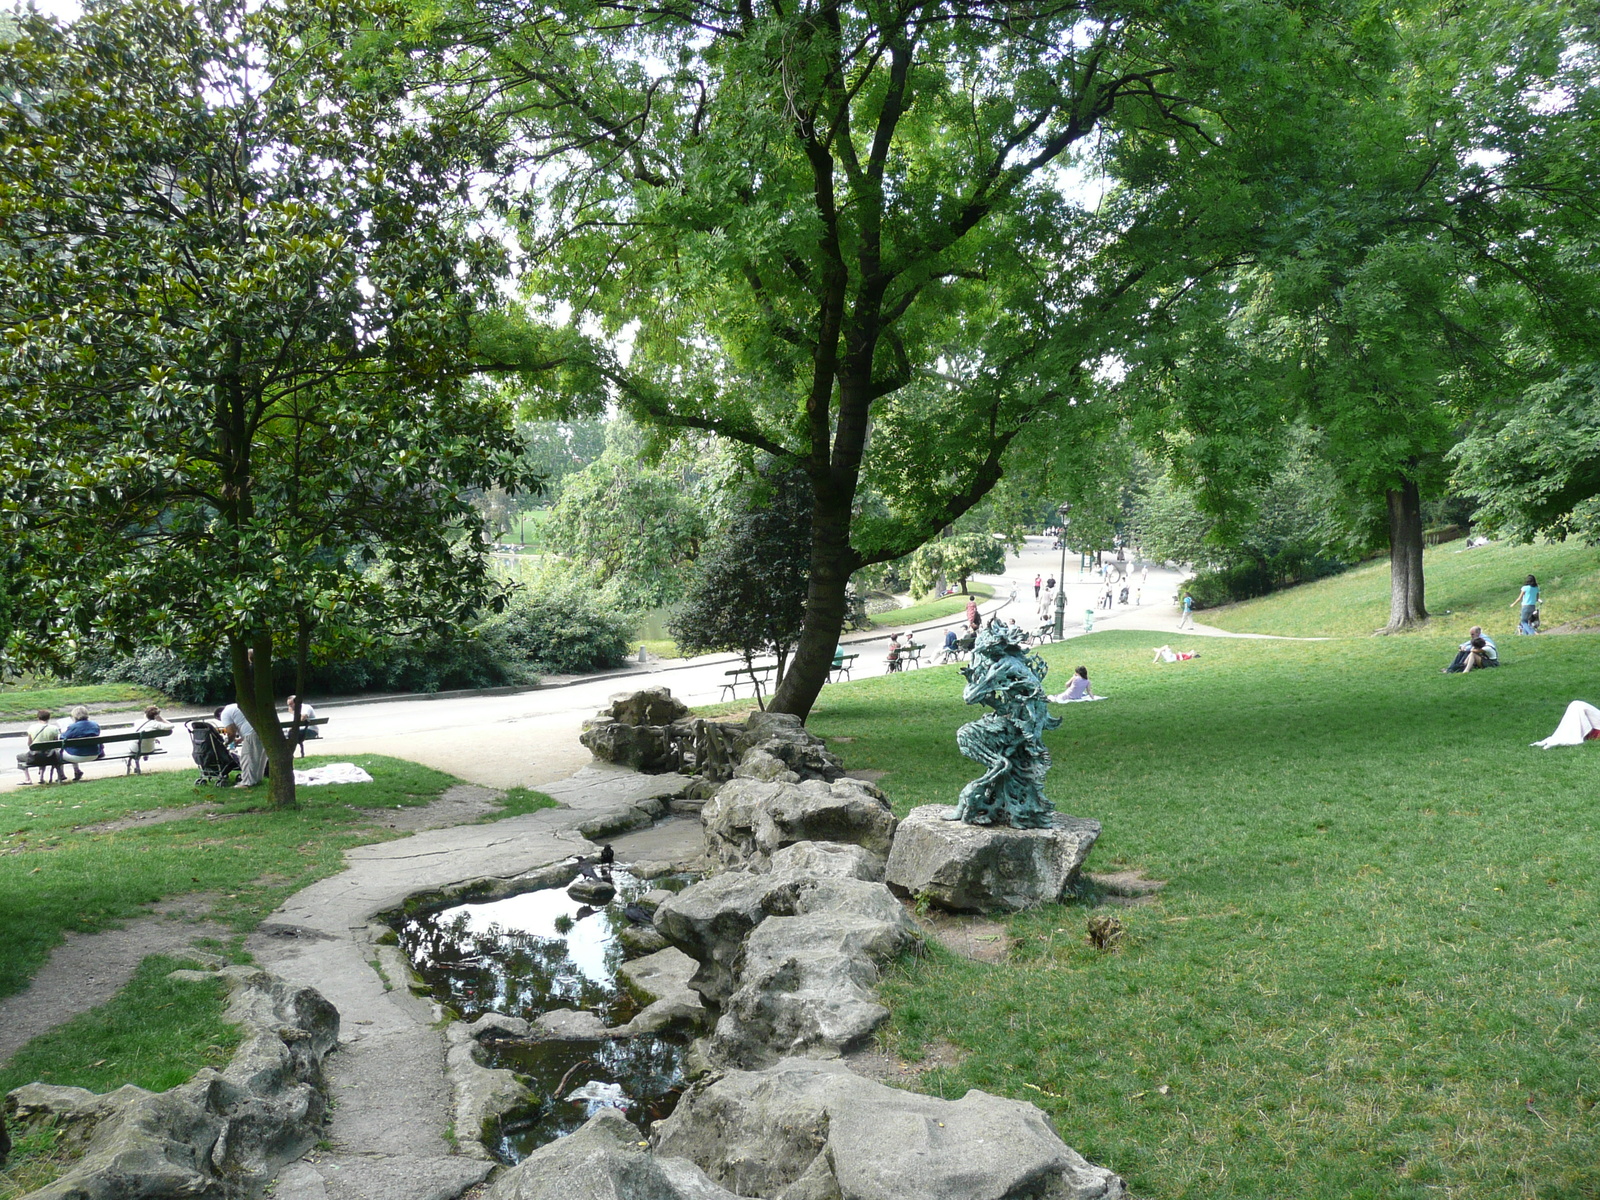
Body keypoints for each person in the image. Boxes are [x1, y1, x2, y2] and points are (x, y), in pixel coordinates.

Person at [218, 699, 266, 788]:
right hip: (262, 730)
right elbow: (243, 723)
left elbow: (231, 733)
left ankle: (247, 783)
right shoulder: (234, 707)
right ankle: (257, 779)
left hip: (251, 733)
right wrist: (239, 740)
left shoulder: (224, 714)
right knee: (259, 757)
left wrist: (226, 743)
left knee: (247, 757)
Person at [16, 709, 64, 785]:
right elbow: (56, 744)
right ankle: (44, 777)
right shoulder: (54, 728)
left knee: (19, 757)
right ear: (49, 718)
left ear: (38, 717)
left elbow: (29, 744)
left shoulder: (32, 728)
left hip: (35, 758)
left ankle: (28, 779)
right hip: (51, 757)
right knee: (46, 753)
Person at [60, 705, 103, 782]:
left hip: (77, 756)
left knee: (58, 752)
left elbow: (62, 738)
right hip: (94, 754)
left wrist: (63, 731)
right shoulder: (95, 725)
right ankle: (77, 771)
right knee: (74, 749)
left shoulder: (73, 727)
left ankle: (61, 774)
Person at [129, 705, 173, 774]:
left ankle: (137, 764)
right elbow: (171, 726)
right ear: (157, 716)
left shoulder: (137, 722)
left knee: (138, 742)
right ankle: (146, 754)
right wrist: (161, 720)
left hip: (135, 749)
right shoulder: (156, 724)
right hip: (149, 749)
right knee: (148, 741)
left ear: (145, 714)